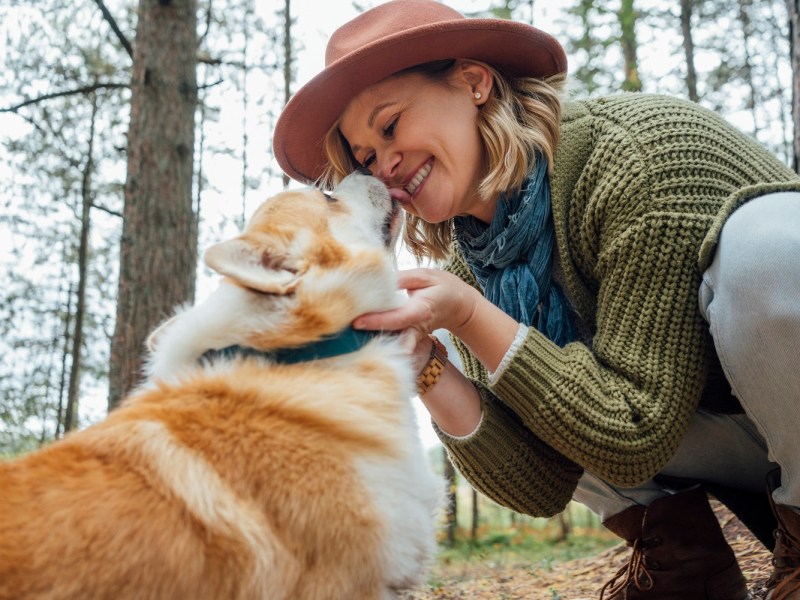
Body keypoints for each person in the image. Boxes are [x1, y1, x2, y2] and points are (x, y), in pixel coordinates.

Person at [273, 1, 800, 598]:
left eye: (390, 125)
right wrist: (425, 364)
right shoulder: (472, 268)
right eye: (366, 156)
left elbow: (633, 429)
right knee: (475, 345)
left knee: (761, 243)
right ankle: (686, 565)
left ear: (475, 82)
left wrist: (474, 318)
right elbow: (541, 483)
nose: (385, 165)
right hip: (734, 438)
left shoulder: (632, 157)